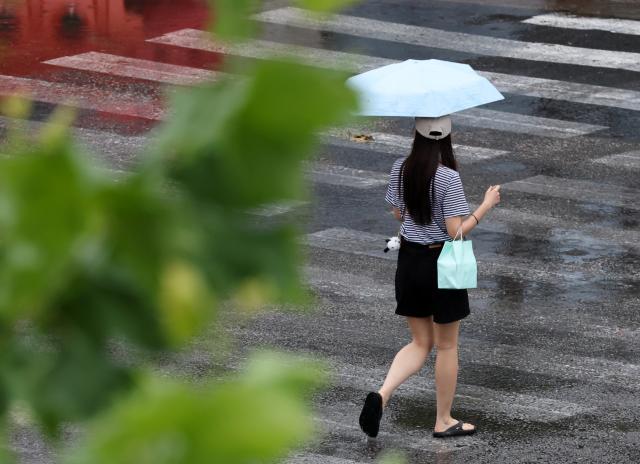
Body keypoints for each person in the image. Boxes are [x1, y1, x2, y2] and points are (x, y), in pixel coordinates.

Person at [358, 115, 501, 439]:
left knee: (420, 342)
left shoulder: (401, 167)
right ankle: (443, 420)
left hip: (409, 261)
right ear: (447, 137)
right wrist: (485, 206)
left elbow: (398, 213)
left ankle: (382, 394)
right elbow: (456, 232)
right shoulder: (448, 177)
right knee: (447, 346)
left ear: (416, 134)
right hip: (441, 263)